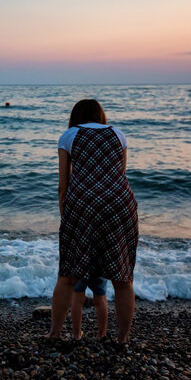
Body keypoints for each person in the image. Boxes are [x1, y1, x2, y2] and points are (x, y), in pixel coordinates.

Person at [46, 99, 139, 343]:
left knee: (67, 275)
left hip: (82, 203)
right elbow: (120, 175)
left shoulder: (69, 136)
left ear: (75, 116)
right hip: (121, 203)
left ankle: (55, 333)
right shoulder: (118, 135)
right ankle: (123, 338)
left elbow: (63, 186)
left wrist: (65, 218)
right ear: (101, 115)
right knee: (122, 277)